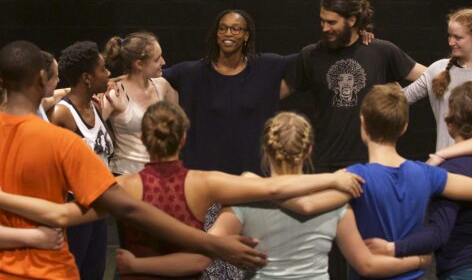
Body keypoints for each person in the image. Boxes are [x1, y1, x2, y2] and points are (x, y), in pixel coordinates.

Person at [0, 40, 273, 279]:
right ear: (40, 78)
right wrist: (214, 244)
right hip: (46, 268)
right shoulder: (60, 141)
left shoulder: (65, 130)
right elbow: (130, 209)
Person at [0, 101, 365, 280]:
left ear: (143, 140)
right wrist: (332, 179)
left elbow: (63, 214)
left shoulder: (124, 185)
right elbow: (277, 188)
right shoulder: (207, 183)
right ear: (185, 138)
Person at [114, 112, 430, 279]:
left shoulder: (243, 201)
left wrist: (140, 265)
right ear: (308, 149)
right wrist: (419, 259)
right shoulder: (335, 201)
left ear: (266, 148)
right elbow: (367, 266)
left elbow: (198, 258)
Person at [289, 0, 426, 172]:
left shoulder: (381, 51)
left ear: (352, 20)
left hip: (370, 162)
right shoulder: (311, 55)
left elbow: (431, 76)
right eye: (322, 21)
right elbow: (277, 89)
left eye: (331, 22)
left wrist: (402, 96)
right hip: (323, 162)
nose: (324, 28)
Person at [163, 9, 295, 175]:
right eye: (223, 29)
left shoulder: (266, 67)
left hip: (252, 177)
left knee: (246, 202)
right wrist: (120, 83)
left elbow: (306, 62)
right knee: (214, 203)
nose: (228, 34)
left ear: (246, 35)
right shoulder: (194, 73)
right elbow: (149, 76)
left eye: (235, 29)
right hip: (209, 180)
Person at [366, 81, 472, 280]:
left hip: (462, 268)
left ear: (450, 123)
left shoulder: (448, 171)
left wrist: (393, 248)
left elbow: (438, 233)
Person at [53, 41, 114, 279]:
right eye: (102, 69)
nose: (108, 73)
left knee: (95, 272)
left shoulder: (95, 107)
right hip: (76, 206)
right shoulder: (63, 113)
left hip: (99, 205)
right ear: (87, 77)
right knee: (73, 271)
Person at [102, 31, 177, 174]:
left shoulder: (163, 86)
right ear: (139, 64)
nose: (163, 62)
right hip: (125, 175)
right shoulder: (115, 93)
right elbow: (91, 132)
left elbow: (176, 128)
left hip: (158, 175)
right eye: (157, 59)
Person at [403, 8, 472, 151]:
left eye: (458, 37)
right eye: (450, 36)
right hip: (446, 164)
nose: (451, 42)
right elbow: (402, 97)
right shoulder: (438, 69)